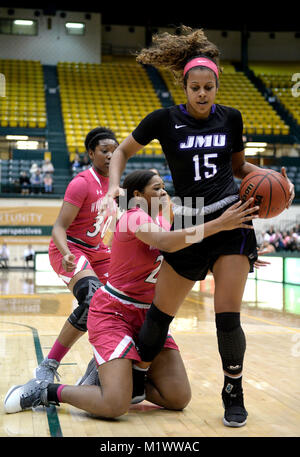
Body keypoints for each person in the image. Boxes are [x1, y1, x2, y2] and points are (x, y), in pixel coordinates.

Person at [100, 26, 295, 427]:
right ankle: (139, 376)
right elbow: (120, 151)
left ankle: (233, 393)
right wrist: (114, 187)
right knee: (160, 315)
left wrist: (277, 180)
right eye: (195, 87)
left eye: (209, 87)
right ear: (184, 87)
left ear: (216, 86)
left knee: (228, 315)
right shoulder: (163, 120)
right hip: (189, 216)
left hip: (233, 218)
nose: (202, 94)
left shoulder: (232, 118)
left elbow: (239, 168)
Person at [4, 169, 259, 417]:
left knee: (178, 397)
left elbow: (189, 258)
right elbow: (166, 243)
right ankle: (45, 391)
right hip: (114, 313)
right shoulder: (132, 216)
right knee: (116, 405)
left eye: (164, 188)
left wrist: (234, 256)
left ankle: (113, 377)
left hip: (151, 319)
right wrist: (220, 224)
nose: (163, 192)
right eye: (156, 188)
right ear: (138, 194)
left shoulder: (166, 222)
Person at [32, 127, 119, 383]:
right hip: (69, 248)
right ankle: (49, 364)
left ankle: (98, 365)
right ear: (91, 153)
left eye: (115, 151)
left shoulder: (116, 187)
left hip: (98, 252)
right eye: (105, 151)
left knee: (118, 303)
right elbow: (58, 227)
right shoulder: (81, 183)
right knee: (93, 298)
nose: (111, 156)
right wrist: (67, 252)